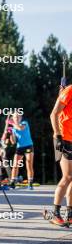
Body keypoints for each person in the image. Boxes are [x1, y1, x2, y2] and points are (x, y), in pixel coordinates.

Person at [50, 85, 72, 226]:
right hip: (64, 138)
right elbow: (54, 114)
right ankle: (55, 213)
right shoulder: (69, 90)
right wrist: (58, 136)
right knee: (68, 176)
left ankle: (70, 213)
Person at [10, 112, 34, 190]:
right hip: (19, 147)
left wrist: (12, 124)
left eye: (18, 117)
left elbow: (20, 128)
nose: (16, 118)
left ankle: (30, 183)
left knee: (29, 163)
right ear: (13, 118)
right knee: (15, 164)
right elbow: (13, 142)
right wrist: (10, 134)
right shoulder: (13, 128)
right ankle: (13, 181)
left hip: (28, 145)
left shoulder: (24, 123)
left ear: (20, 118)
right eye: (15, 117)